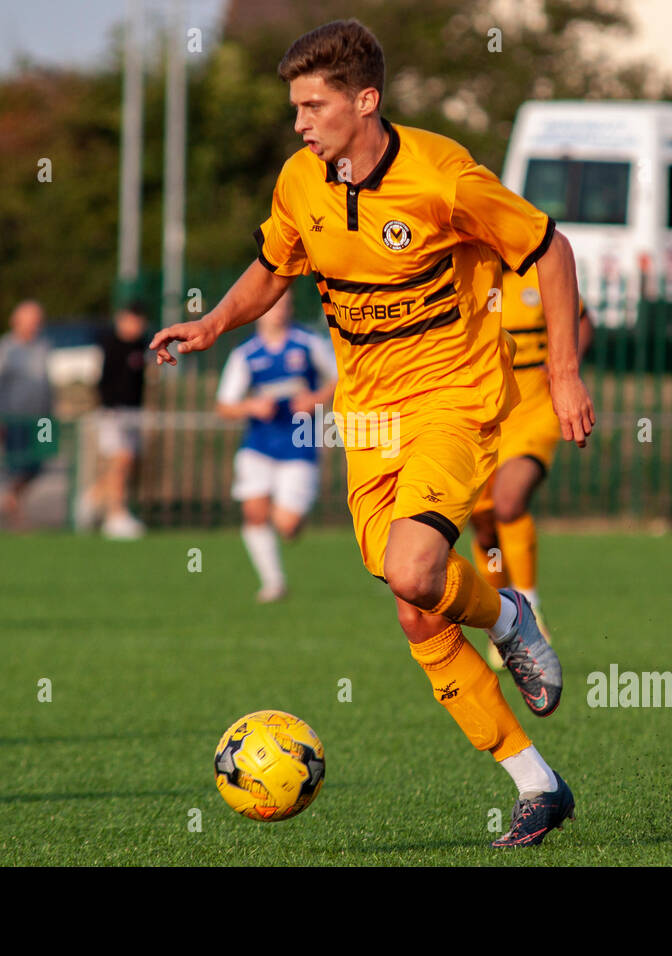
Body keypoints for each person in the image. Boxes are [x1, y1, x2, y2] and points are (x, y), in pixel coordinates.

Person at [150, 19, 595, 849]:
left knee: (415, 566)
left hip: (453, 401)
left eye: (314, 105)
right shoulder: (299, 181)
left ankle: (509, 620)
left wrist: (565, 375)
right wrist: (213, 323)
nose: (300, 122)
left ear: (366, 100)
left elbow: (550, 248)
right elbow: (273, 266)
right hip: (367, 418)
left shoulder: (443, 176)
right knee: (416, 608)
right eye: (295, 107)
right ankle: (538, 783)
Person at [470, 263, 594, 668]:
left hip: (535, 409)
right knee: (485, 524)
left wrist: (563, 367)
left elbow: (582, 322)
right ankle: (500, 619)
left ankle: (530, 608)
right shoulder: (465, 276)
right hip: (484, 414)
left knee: (509, 501)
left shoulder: (538, 275)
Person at [215, 289, 337, 602]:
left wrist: (314, 399)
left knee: (286, 525)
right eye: (273, 304)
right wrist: (251, 407)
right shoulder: (246, 354)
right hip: (258, 445)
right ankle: (274, 582)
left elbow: (341, 379)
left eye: (285, 304)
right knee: (254, 512)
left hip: (300, 443)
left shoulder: (307, 344)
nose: (278, 310)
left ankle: (293, 524)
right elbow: (225, 406)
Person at [84, 303, 151, 539]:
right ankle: (115, 515)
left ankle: (91, 499)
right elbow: (103, 382)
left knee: (125, 464)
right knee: (121, 461)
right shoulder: (110, 344)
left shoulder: (140, 345)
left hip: (133, 413)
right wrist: (110, 409)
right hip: (113, 413)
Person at [0, 300, 53, 529]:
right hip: (15, 419)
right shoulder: (5, 347)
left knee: (38, 465)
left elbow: (47, 383)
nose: (34, 325)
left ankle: (8, 501)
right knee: (17, 465)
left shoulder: (43, 345)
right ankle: (15, 515)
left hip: (42, 420)